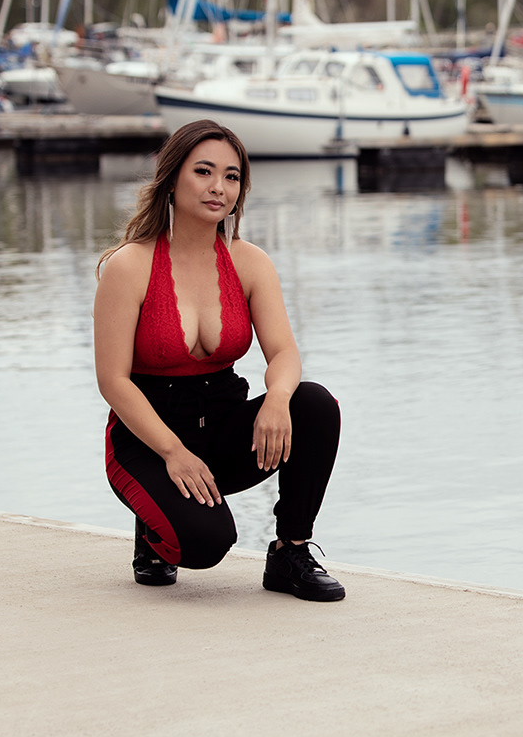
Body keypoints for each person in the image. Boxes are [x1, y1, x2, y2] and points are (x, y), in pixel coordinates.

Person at [93, 119, 344, 600]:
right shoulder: (129, 265)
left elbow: (284, 351)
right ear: (172, 179)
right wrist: (173, 452)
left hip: (223, 424)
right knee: (206, 545)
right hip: (148, 440)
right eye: (204, 171)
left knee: (313, 404)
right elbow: (113, 380)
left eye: (232, 177)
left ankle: (290, 554)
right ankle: (153, 531)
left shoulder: (249, 262)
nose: (218, 188)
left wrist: (277, 400)